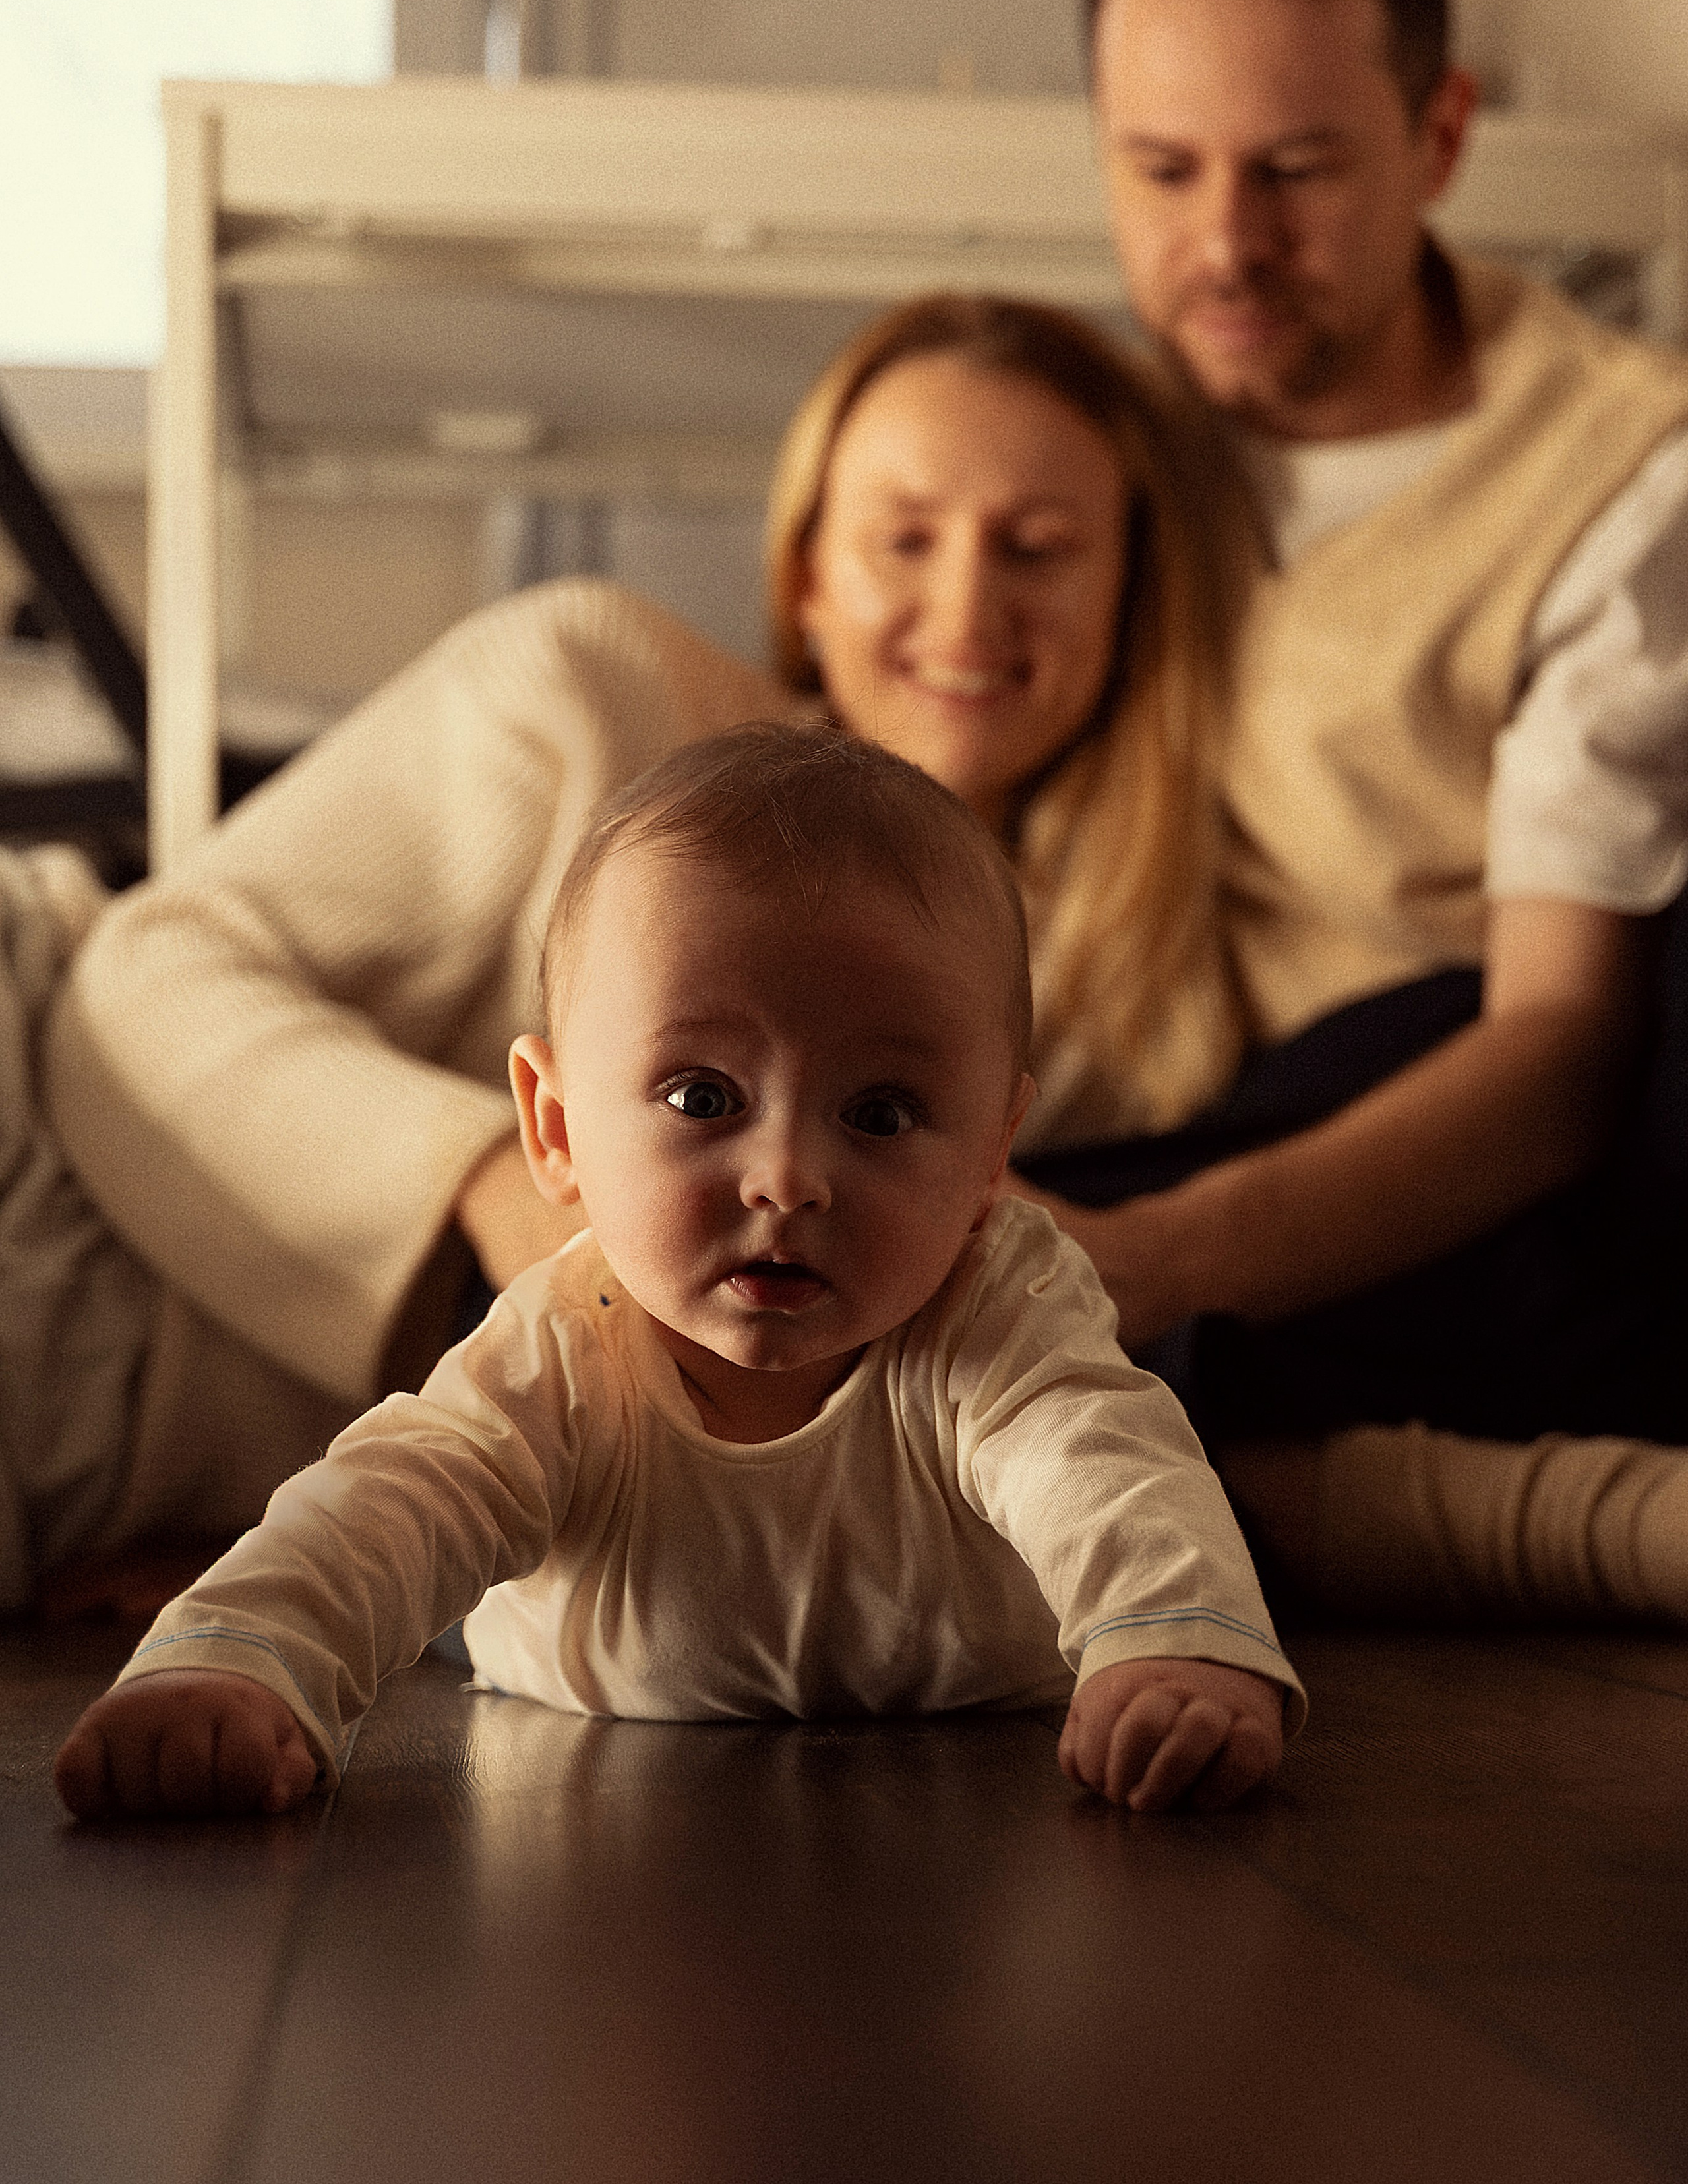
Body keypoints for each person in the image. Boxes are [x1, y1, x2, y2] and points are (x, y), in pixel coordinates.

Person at [18, 291, 1256, 1621]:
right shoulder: (587, 691)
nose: (964, 604)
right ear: (804, 576)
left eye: (1037, 547)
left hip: (168, 1481)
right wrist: (511, 1196)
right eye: (902, 537)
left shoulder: (1108, 1009)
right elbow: (138, 991)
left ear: (1125, 595)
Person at [52, 726, 1302, 1821]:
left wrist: (1171, 1647)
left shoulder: (1000, 1306)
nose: (786, 1179)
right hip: (558, 1676)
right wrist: (237, 1666)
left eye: (880, 1112)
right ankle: (220, 1595)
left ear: (989, 1159)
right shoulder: (567, 1341)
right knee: (429, 1553)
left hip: (970, 1721)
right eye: (703, 1096)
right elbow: (395, 1501)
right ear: (555, 1130)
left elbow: (1104, 1466)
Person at [1007, 0, 1688, 1612]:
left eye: (1297, 169)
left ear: (1440, 133)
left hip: (1496, 1153)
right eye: (1160, 169)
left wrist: (1146, 1260)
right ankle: (1344, 1498)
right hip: (1188, 1129)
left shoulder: (1618, 470)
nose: (1224, 242)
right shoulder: (1092, 434)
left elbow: (1562, 1053)